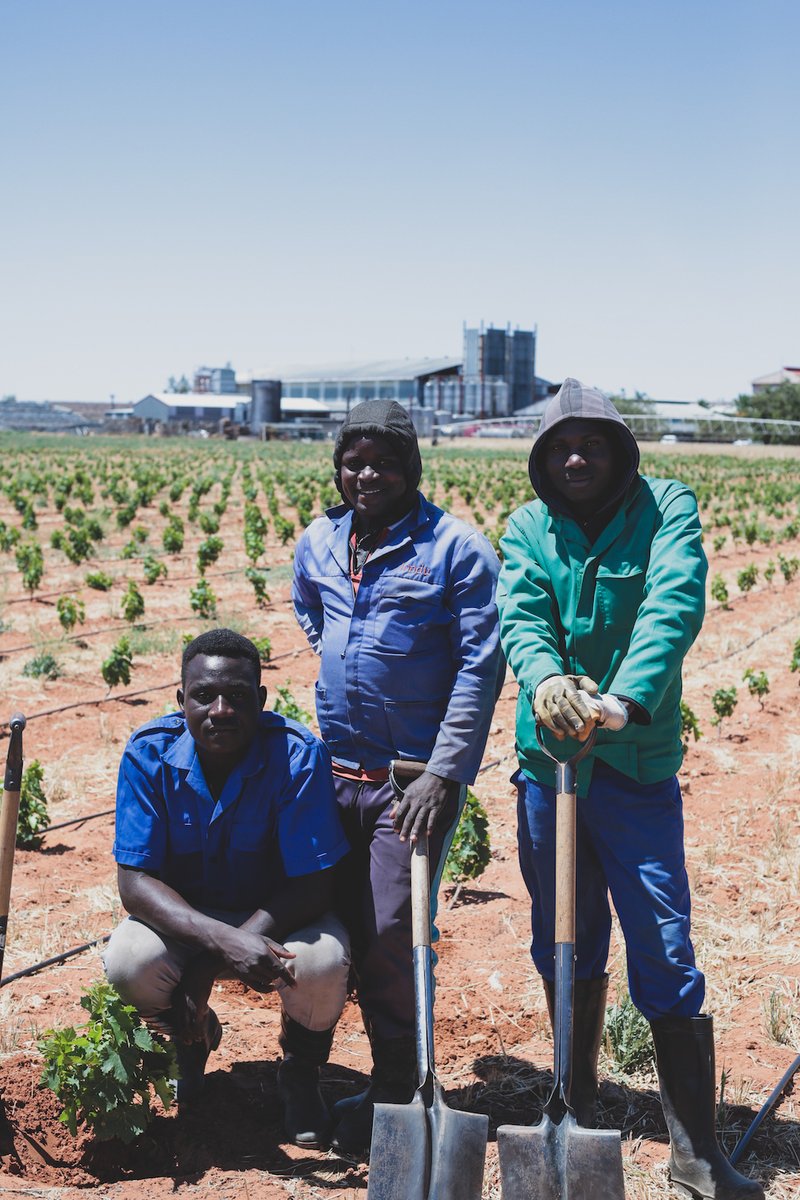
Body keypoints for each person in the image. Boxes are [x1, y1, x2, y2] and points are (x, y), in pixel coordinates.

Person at [497, 379, 763, 1200]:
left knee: (663, 942)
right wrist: (545, 680)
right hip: (551, 769)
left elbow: (672, 604)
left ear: (620, 453)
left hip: (633, 764)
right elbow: (522, 614)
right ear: (542, 460)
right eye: (560, 448)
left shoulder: (666, 509)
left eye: (593, 445)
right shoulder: (529, 526)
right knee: (564, 936)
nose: (576, 460)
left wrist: (621, 701)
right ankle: (574, 1106)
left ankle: (696, 1152)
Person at [292, 399, 502, 1154]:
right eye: (354, 462)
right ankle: (309, 1077)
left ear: (412, 468)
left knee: (389, 931)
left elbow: (481, 664)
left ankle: (398, 1088)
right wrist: (349, 663)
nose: (367, 475)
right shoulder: (320, 541)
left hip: (409, 782)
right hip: (332, 773)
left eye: (384, 462)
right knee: (327, 927)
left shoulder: (455, 549)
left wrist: (444, 771)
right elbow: (311, 615)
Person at [104, 628, 351, 1149]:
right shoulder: (149, 754)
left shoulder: (296, 755)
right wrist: (220, 942)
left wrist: (209, 963)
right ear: (181, 700)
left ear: (261, 700)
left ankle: (300, 1072)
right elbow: (135, 883)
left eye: (238, 696)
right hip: (187, 919)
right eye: (204, 696)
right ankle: (189, 1038)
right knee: (129, 962)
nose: (221, 710)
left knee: (323, 962)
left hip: (281, 917)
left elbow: (314, 885)